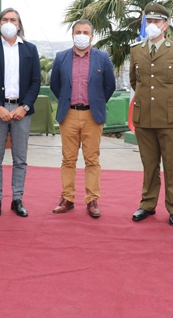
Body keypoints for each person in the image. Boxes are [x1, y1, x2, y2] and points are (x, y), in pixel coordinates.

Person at [129, 3, 173, 225]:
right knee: (149, 164)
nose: (151, 25)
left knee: (171, 164)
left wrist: (172, 103)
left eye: (156, 22)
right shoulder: (136, 50)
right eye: (148, 21)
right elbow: (134, 81)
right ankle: (147, 204)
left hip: (169, 119)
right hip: (144, 117)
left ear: (165, 25)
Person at [0, 8, 41, 218]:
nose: (9, 22)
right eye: (5, 19)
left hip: (22, 110)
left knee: (20, 159)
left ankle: (17, 199)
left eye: (13, 19)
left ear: (19, 25)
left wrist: (25, 106)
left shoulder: (30, 50)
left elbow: (35, 81)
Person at [49, 19, 116, 218]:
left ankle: (92, 199)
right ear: (72, 35)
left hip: (92, 115)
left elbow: (109, 86)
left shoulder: (102, 58)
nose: (81, 35)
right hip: (68, 114)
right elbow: (55, 85)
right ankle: (67, 198)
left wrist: (95, 102)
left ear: (92, 36)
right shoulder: (61, 57)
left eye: (85, 32)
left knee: (92, 160)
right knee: (68, 159)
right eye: (78, 31)